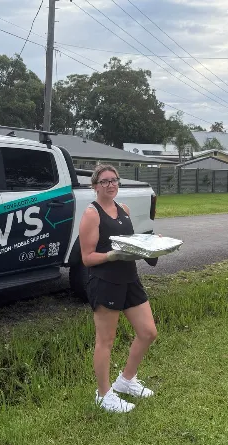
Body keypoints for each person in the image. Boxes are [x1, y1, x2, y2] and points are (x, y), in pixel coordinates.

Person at [78, 164, 158, 413]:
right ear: (95, 186)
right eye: (104, 181)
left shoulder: (123, 209)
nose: (110, 185)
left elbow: (131, 244)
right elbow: (87, 258)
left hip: (129, 278)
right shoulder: (92, 214)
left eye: (114, 180)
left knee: (148, 332)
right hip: (105, 281)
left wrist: (150, 248)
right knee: (106, 340)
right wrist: (111, 256)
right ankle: (103, 395)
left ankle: (125, 381)